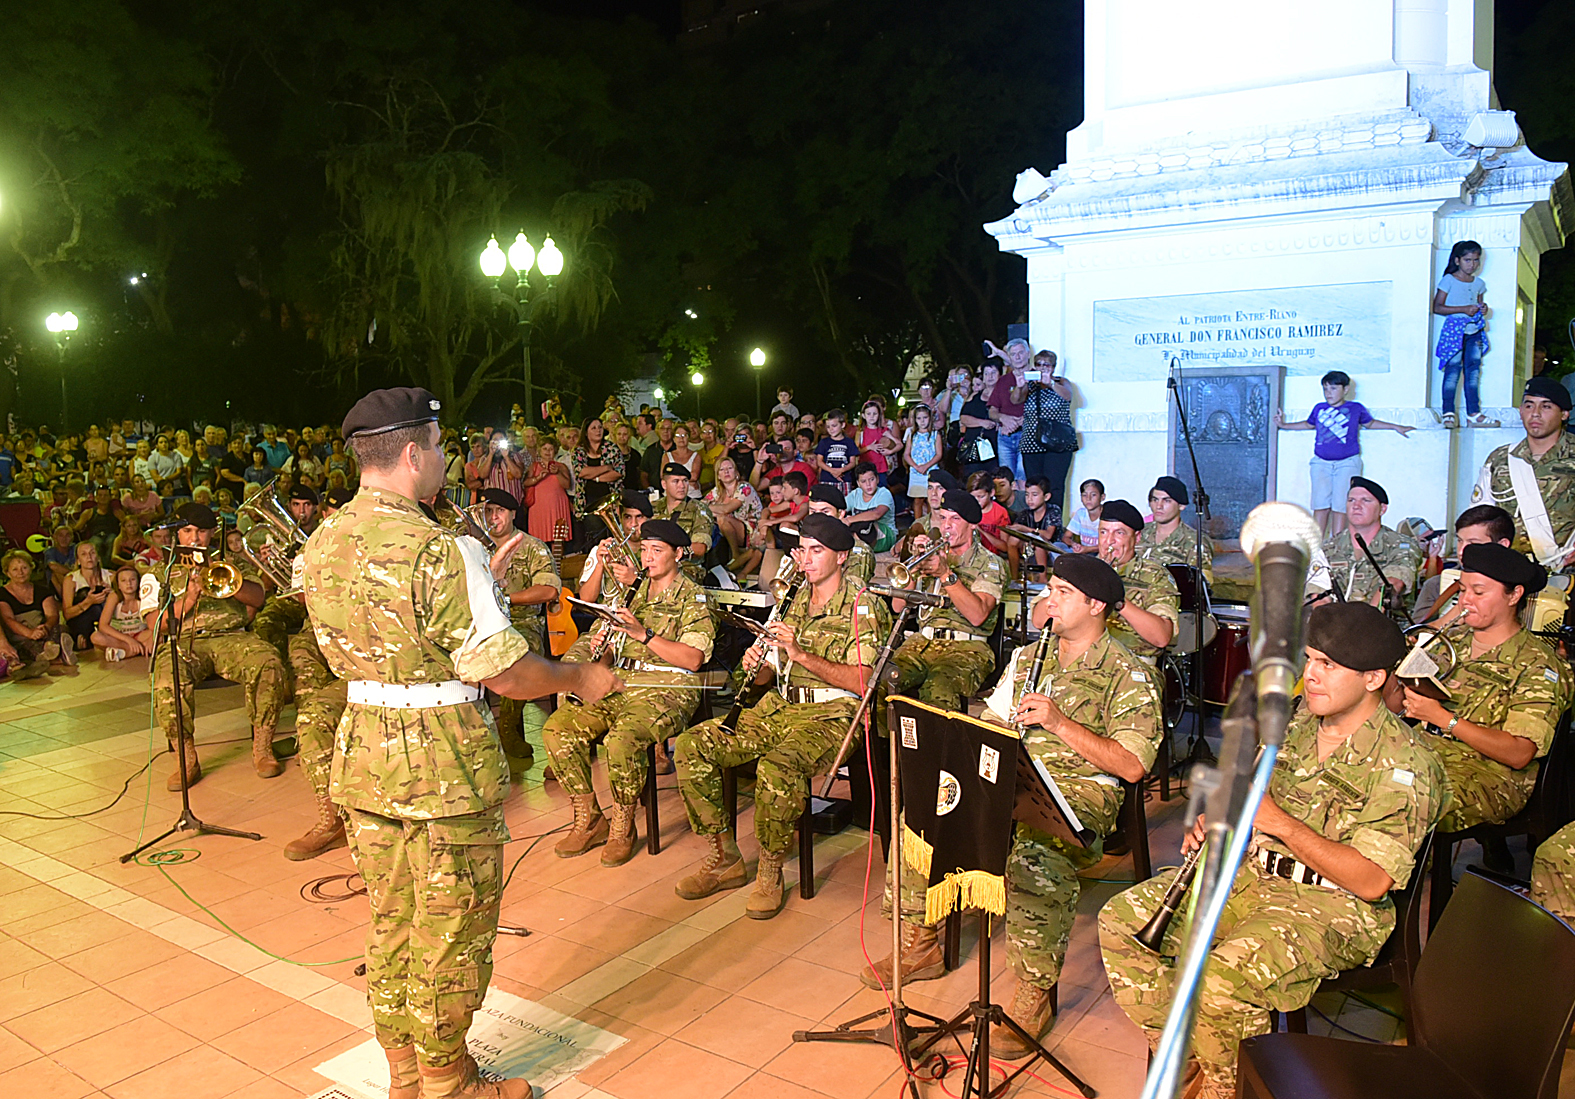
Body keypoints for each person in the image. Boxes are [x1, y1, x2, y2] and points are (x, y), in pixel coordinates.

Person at [300, 387, 619, 1099]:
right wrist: (577, 675)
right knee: (453, 926)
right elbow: (504, 672)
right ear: (413, 453)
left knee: (392, 921)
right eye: (441, 448)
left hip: (364, 754)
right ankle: (451, 1082)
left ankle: (405, 1076)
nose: (447, 461)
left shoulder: (321, 540)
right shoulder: (439, 550)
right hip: (439, 759)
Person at [1099, 601, 1447, 1099]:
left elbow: (1371, 881)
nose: (1311, 675)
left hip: (1333, 907)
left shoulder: (1405, 764)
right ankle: (1190, 1054)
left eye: (1328, 665)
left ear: (1373, 678)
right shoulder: (1297, 724)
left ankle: (1227, 1088)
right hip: (1253, 875)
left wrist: (1279, 823)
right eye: (1309, 659)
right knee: (1121, 923)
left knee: (1220, 981)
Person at [867, 555, 1159, 1057]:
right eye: (1051, 588)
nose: (1050, 599)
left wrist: (1060, 723)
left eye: (1063, 592)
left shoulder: (1127, 674)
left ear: (1095, 605)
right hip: (1012, 773)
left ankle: (1035, 990)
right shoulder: (1029, 658)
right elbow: (995, 722)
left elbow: (1132, 766)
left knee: (1032, 858)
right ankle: (922, 938)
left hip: (1079, 787)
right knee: (921, 818)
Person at [674, 513, 887, 918]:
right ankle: (724, 856)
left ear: (841, 557)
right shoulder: (792, 600)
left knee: (777, 767)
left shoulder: (863, 607)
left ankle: (770, 869)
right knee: (693, 745)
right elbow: (766, 674)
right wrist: (758, 664)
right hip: (780, 705)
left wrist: (801, 653)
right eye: (802, 550)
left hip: (830, 714)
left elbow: (863, 681)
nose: (806, 561)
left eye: (816, 552)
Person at [545, 518, 715, 864]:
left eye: (657, 551)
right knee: (557, 730)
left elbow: (694, 659)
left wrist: (643, 635)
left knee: (621, 740)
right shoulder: (631, 592)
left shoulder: (693, 596)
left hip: (667, 685)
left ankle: (623, 824)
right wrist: (602, 651)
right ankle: (589, 816)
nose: (648, 558)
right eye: (644, 550)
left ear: (679, 554)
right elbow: (616, 648)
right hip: (624, 680)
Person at [1399, 543, 1569, 839]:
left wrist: (1444, 720)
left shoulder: (1537, 664)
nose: (1466, 601)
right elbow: (1396, 696)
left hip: (1489, 775)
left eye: (1478, 592)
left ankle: (1389, 882)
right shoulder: (1455, 640)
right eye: (1462, 591)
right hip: (1424, 751)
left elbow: (1519, 753)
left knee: (1398, 800)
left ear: (1514, 595)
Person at [141, 502, 285, 789]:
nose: (194, 539)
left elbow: (258, 599)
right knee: (166, 680)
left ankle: (262, 747)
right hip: (184, 642)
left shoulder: (233, 561)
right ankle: (187, 759)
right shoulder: (158, 572)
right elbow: (155, 623)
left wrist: (227, 579)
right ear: (176, 534)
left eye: (202, 531)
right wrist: (190, 598)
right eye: (187, 531)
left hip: (231, 637)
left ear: (213, 533)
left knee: (268, 661)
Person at [889, 490, 1004, 705]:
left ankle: (939, 740)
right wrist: (915, 563)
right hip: (922, 643)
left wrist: (945, 574)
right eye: (943, 518)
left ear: (972, 524)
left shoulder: (989, 563)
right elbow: (897, 606)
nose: (946, 526)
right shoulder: (932, 554)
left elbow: (978, 616)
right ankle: (892, 739)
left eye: (955, 519)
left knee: (939, 688)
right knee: (884, 680)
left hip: (967, 648)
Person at [479, 488, 560, 776]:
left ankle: (509, 727)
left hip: (521, 622)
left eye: (499, 511)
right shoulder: (475, 546)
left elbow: (549, 590)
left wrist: (507, 599)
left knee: (516, 652)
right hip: (482, 623)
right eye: (488, 511)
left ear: (513, 513)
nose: (493, 517)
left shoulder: (532, 547)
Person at [1036, 500, 1177, 664]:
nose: (1108, 541)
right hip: (1075, 660)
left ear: (1136, 537)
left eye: (1119, 533)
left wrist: (1116, 598)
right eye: (1103, 532)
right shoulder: (1079, 569)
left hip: (1131, 665)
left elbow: (1161, 637)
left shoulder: (1155, 575)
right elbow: (1039, 620)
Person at [1275, 370, 1415, 536]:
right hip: (1321, 462)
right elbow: (1308, 424)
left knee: (1340, 506)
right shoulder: (1319, 408)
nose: (1329, 393)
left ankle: (1337, 546)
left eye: (1333, 389)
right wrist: (1284, 425)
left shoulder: (1355, 408)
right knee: (1320, 505)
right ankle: (1315, 547)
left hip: (1347, 463)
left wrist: (1395, 426)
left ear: (1346, 389)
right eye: (1325, 389)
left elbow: (1370, 423)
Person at [1468, 377, 1575, 568]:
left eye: (1546, 407)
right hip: (1507, 569)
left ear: (1565, 414)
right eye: (1529, 405)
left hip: (1565, 569)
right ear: (1520, 411)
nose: (1535, 414)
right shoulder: (1500, 458)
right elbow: (1480, 516)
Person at [1310, 477, 1419, 612]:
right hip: (1337, 627)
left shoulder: (1401, 545)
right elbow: (1319, 594)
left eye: (1366, 500)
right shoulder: (1328, 549)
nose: (1356, 506)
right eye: (1351, 500)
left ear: (1382, 509)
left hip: (1385, 627)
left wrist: (1366, 624)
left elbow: (1393, 583)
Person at [249, 484, 322, 662]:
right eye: (296, 505)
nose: (302, 511)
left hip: (320, 596)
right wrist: (268, 565)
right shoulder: (275, 538)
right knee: (265, 621)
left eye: (307, 505)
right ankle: (279, 666)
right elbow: (266, 587)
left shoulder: (324, 532)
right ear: (289, 506)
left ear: (315, 508)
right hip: (291, 600)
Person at [1410, 504, 1514, 625]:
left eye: (1473, 543)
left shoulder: (1516, 589)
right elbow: (1418, 632)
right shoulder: (1435, 585)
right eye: (1459, 541)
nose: (1461, 551)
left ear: (1502, 545)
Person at [1433, 239, 1497, 428]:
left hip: (1474, 331)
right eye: (1468, 260)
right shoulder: (1449, 280)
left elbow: (1477, 305)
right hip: (1455, 331)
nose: (1472, 265)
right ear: (1457, 260)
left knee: (1473, 371)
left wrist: (1482, 308)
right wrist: (1463, 309)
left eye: (1476, 260)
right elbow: (1437, 307)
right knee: (1453, 370)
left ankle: (1473, 413)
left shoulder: (1479, 283)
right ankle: (1448, 412)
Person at [0, 549, 70, 678]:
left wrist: (45, 627)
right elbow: (8, 619)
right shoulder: (2, 594)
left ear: (31, 568)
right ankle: (55, 656)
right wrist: (30, 633)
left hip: (42, 631)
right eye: (15, 569)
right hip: (21, 636)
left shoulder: (41, 590)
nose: (20, 573)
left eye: (24, 568)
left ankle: (51, 650)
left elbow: (52, 615)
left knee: (61, 629)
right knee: (28, 647)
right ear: (7, 573)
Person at [1136, 475, 1214, 582]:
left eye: (1167, 501)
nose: (1159, 506)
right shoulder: (1138, 533)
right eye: (1155, 500)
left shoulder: (1194, 541)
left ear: (1181, 506)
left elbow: (1200, 585)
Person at [651, 463, 714, 577]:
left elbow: (700, 548)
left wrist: (671, 552)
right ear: (664, 484)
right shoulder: (654, 507)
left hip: (685, 569)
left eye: (685, 481)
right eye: (676, 481)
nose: (682, 486)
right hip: (654, 566)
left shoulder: (698, 509)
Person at [985, 338, 1032, 486]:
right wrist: (1003, 418)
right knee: (1005, 480)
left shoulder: (1036, 378)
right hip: (1005, 437)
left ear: (1028, 354)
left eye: (1020, 353)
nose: (1017, 357)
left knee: (1023, 479)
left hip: (1027, 435)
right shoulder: (1003, 380)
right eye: (1013, 354)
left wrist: (1019, 420)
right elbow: (992, 411)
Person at [707, 456, 762, 573]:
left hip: (752, 531)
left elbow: (726, 509)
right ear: (718, 475)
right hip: (734, 529)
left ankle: (735, 554)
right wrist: (711, 509)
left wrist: (711, 508)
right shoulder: (717, 491)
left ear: (736, 472)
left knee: (722, 518)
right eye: (722, 469)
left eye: (729, 468)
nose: (726, 471)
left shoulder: (744, 488)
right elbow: (700, 505)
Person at [569, 415, 624, 521]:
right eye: (593, 428)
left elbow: (618, 473)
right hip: (587, 500)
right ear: (586, 432)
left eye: (600, 427)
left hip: (611, 500)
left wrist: (595, 478)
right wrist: (606, 468)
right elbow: (582, 472)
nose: (598, 431)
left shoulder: (612, 448)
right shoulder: (579, 451)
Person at [1005, 476, 1059, 583]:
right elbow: (1015, 530)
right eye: (1026, 494)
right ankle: (1014, 578)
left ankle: (1042, 580)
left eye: (1034, 495)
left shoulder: (1053, 510)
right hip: (1029, 548)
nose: (1029, 499)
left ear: (1046, 496)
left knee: (1038, 542)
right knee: (1013, 540)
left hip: (1052, 549)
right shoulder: (1026, 513)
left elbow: (1048, 535)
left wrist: (1026, 529)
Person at [95, 564, 153, 660]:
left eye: (132, 580)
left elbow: (156, 623)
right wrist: (129, 640)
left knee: (158, 636)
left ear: (139, 581)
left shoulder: (144, 595)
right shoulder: (114, 597)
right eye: (123, 580)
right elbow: (103, 625)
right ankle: (138, 649)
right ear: (118, 585)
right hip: (119, 636)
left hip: (140, 635)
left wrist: (151, 639)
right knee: (96, 637)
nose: (128, 583)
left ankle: (125, 652)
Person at [61, 542, 111, 652]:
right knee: (86, 597)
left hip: (106, 618)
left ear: (97, 557)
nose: (89, 557)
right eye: (84, 554)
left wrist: (112, 594)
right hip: (81, 619)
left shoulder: (111, 577)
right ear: (78, 560)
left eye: (92, 553)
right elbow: (67, 614)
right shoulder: (71, 580)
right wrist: (88, 602)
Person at [523, 438, 573, 545]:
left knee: (558, 539)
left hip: (557, 505)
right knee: (539, 540)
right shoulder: (534, 466)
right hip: (539, 506)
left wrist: (557, 473)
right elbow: (525, 483)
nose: (547, 451)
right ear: (539, 451)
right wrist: (538, 478)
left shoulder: (561, 466)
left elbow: (567, 485)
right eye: (544, 449)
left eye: (550, 449)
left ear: (555, 450)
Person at [956, 366, 1000, 483]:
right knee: (973, 481)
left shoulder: (1003, 396)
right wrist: (982, 423)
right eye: (986, 373)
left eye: (993, 373)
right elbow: (963, 418)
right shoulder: (974, 397)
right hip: (974, 449)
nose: (989, 377)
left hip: (996, 449)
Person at [843, 461, 898, 553]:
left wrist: (849, 520)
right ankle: (856, 549)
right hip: (860, 533)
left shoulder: (884, 493)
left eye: (871, 479)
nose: (868, 484)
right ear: (858, 483)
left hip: (885, 535)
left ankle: (859, 550)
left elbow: (876, 514)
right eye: (863, 481)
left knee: (864, 524)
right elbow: (840, 508)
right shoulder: (855, 494)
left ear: (877, 479)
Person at [902, 404, 943, 522]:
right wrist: (915, 466)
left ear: (929, 418)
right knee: (918, 500)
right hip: (916, 472)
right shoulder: (912, 434)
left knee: (931, 499)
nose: (922, 421)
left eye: (925, 418)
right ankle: (918, 524)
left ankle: (932, 523)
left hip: (931, 471)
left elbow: (938, 454)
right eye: (919, 418)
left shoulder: (935, 434)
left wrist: (926, 466)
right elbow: (906, 454)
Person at [854, 401, 901, 487]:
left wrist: (890, 452)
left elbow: (900, 444)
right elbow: (855, 451)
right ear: (863, 415)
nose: (871, 416)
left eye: (874, 414)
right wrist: (869, 447)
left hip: (880, 468)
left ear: (879, 415)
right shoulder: (861, 432)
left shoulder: (883, 430)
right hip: (865, 469)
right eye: (868, 414)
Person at [813, 409, 859, 490]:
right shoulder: (824, 442)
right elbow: (819, 461)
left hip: (844, 480)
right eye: (828, 427)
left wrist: (842, 470)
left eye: (834, 426)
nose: (831, 429)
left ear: (843, 425)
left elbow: (853, 462)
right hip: (827, 479)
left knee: (844, 501)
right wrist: (832, 471)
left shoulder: (849, 442)